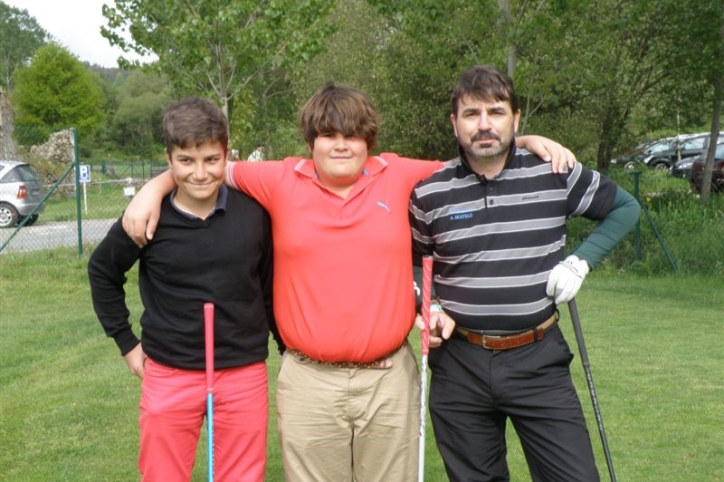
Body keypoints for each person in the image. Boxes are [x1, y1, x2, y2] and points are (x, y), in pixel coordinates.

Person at [121, 83, 575, 482]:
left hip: (389, 378)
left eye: (352, 135)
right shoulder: (277, 178)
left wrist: (526, 139)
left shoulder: (397, 173)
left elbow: (478, 155)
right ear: (311, 141)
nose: (341, 146)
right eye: (328, 136)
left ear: (369, 142)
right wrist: (154, 187)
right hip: (309, 381)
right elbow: (205, 166)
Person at [408, 65, 641, 482]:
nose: (484, 125)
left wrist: (580, 260)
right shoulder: (430, 191)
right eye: (471, 114)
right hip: (459, 363)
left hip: (538, 357)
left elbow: (625, 208)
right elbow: (415, 262)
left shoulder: (554, 170)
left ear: (516, 119)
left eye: (496, 112)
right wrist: (430, 305)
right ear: (454, 123)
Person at [88, 98, 280, 482]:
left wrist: (286, 348)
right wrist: (126, 342)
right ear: (169, 159)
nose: (200, 173)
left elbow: (268, 286)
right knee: (162, 475)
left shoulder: (254, 213)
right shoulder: (146, 217)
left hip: (242, 371)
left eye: (211, 159)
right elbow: (102, 271)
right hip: (170, 370)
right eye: (186, 161)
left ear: (227, 154)